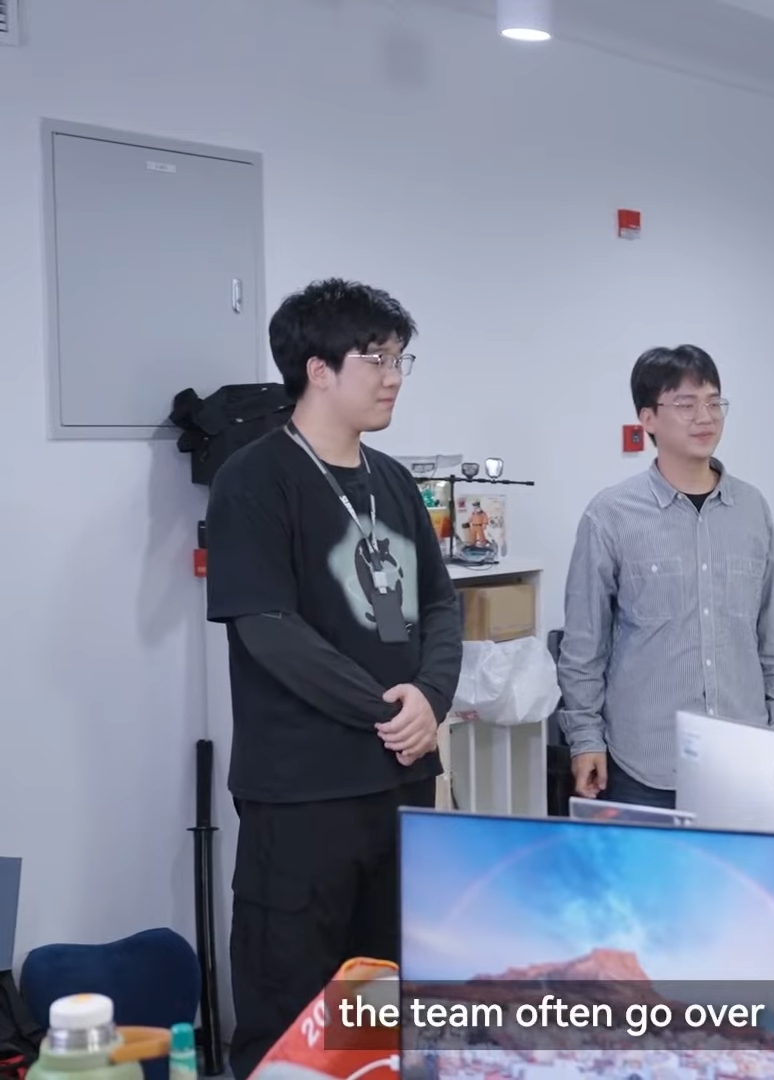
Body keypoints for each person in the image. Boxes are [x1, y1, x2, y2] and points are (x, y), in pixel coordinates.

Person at [205, 279, 459, 1078]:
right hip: (302, 794)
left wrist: (431, 698)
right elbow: (269, 629)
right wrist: (389, 710)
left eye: (400, 359)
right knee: (290, 1011)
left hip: (402, 783)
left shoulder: (393, 479)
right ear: (318, 369)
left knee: (386, 1007)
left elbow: (441, 605)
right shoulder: (254, 478)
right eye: (375, 359)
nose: (394, 376)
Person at [557, 345, 774, 808]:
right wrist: (585, 738)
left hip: (745, 760)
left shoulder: (752, 509)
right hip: (645, 764)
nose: (705, 417)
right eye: (686, 404)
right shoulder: (610, 515)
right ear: (647, 418)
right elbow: (583, 646)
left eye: (714, 402)